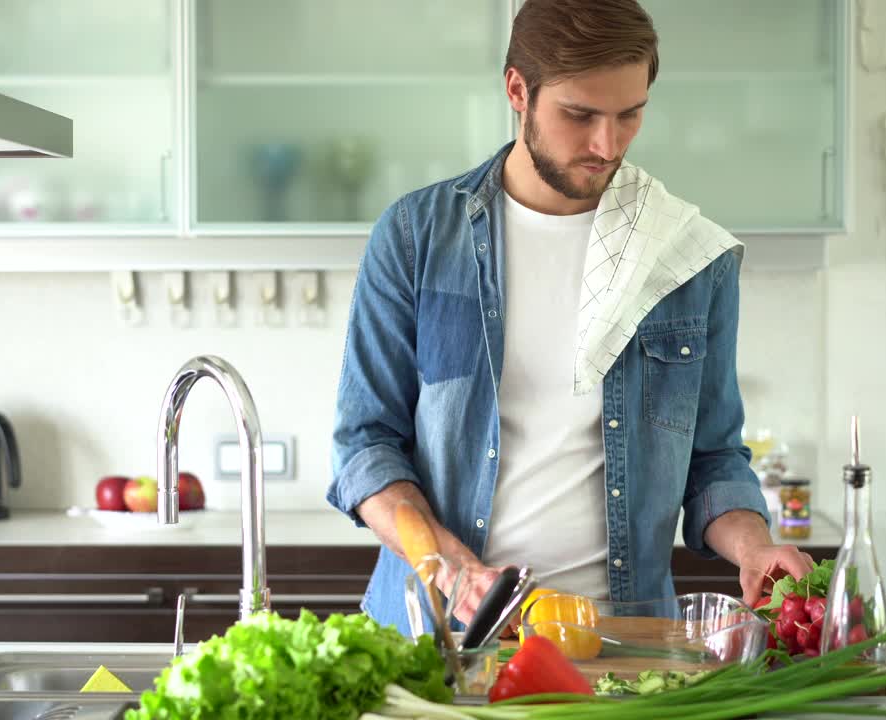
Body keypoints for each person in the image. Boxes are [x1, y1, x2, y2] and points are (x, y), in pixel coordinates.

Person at [327, 0, 812, 634]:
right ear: (517, 90)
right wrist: (449, 565)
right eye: (579, 115)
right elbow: (365, 446)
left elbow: (712, 458)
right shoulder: (418, 238)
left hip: (622, 644)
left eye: (629, 115)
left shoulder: (685, 256)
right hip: (439, 633)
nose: (606, 144)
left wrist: (754, 546)